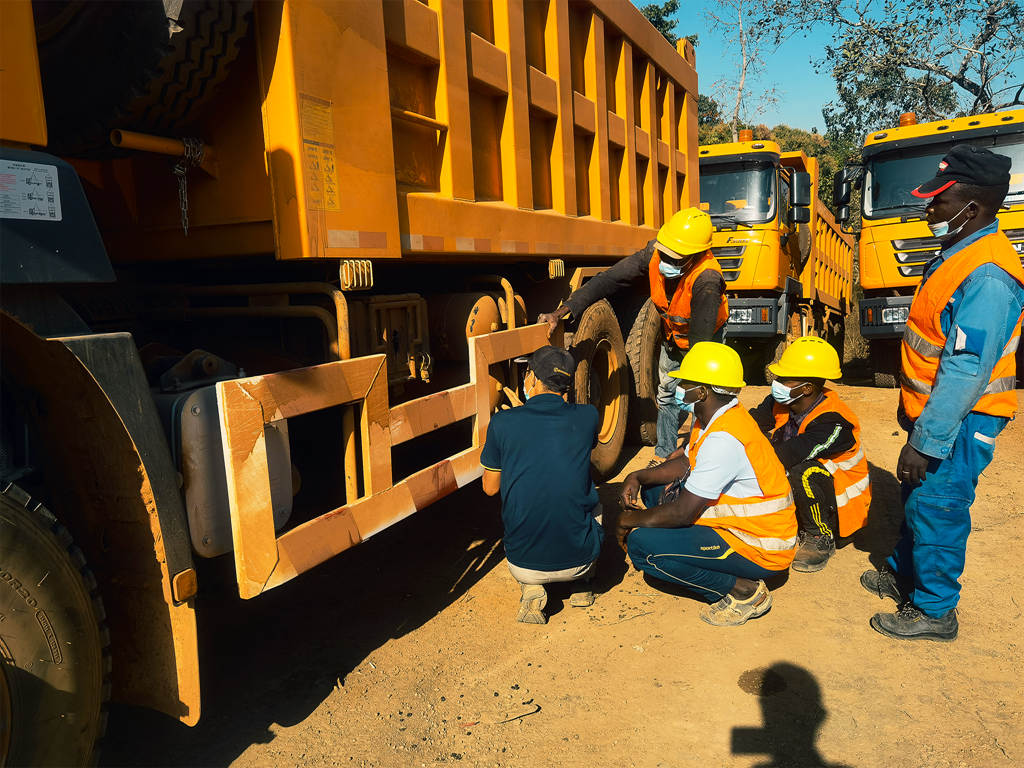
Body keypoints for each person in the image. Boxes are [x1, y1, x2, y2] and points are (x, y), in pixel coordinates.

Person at [863, 144, 1024, 642]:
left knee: (939, 505)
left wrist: (925, 439)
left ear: (972, 208)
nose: (927, 209)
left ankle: (934, 610)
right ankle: (904, 572)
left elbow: (965, 370)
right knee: (918, 496)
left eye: (938, 201)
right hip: (938, 413)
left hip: (962, 417)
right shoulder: (961, 250)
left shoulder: (988, 275)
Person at [617, 342, 797, 626]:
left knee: (642, 546)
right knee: (653, 493)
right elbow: (686, 462)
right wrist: (638, 476)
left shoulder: (724, 438)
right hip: (741, 527)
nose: (678, 387)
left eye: (684, 382)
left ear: (701, 392)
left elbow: (682, 513)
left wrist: (629, 521)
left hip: (759, 545)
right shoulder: (716, 416)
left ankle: (743, 590)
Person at [538, 207, 728, 466]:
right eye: (665, 253)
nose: (665, 261)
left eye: (674, 258)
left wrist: (692, 381)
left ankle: (699, 458)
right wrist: (564, 310)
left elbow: (701, 345)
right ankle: (664, 455)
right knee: (668, 395)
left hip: (704, 340)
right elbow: (608, 280)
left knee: (701, 397)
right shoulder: (654, 254)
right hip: (674, 337)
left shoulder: (706, 280)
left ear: (694, 256)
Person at [480, 345, 604, 624]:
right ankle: (583, 583)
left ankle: (534, 588)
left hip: (523, 565)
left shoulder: (502, 423)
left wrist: (513, 424)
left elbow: (490, 488)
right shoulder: (588, 416)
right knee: (595, 497)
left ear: (532, 379)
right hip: (579, 559)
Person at [749, 336, 871, 572]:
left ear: (807, 388)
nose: (777, 382)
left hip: (839, 509)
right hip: (806, 495)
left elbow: (790, 454)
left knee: (801, 471)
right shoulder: (780, 402)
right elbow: (749, 425)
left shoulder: (834, 421)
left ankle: (819, 537)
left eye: (785, 379)